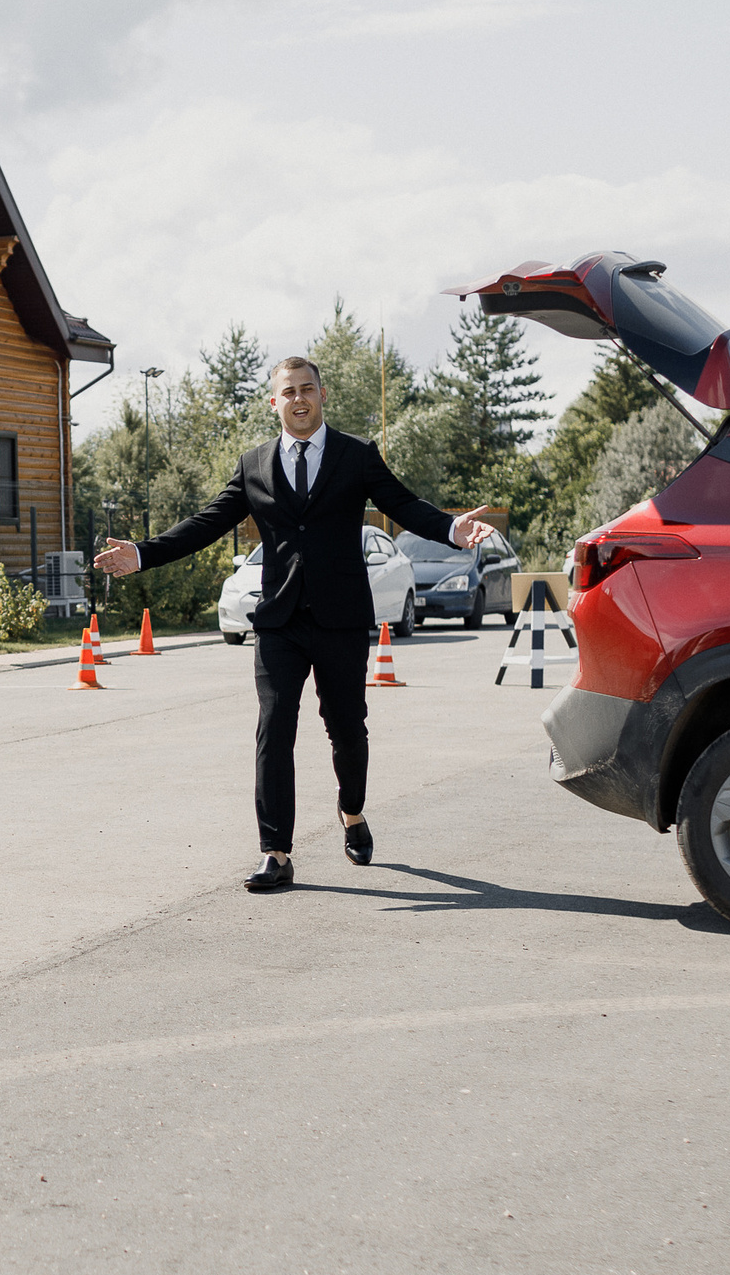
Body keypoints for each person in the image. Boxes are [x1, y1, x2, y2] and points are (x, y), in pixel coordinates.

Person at [93, 356, 496, 892]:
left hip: (341, 620)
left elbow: (401, 503)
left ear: (322, 395)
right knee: (273, 730)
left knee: (346, 728)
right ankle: (276, 852)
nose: (299, 399)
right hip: (279, 620)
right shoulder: (254, 463)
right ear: (274, 401)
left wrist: (450, 527)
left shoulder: (356, 456)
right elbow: (207, 523)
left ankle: (352, 812)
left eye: (307, 389)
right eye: (289, 392)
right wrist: (142, 554)